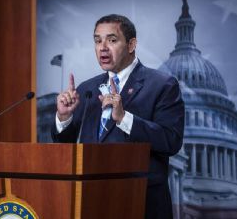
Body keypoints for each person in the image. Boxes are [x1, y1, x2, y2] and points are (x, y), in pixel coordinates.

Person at [52, 14, 184, 219]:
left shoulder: (162, 85)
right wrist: (64, 117)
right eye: (97, 40)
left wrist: (124, 119)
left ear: (131, 44)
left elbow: (171, 141)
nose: (102, 47)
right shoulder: (87, 88)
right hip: (91, 203)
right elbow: (69, 147)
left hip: (141, 204)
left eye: (112, 40)